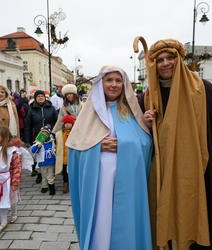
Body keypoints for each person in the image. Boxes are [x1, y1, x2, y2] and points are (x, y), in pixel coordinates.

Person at [139, 39, 212, 249]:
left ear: (180, 60)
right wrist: (145, 123)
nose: (166, 63)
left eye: (171, 58)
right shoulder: (148, 97)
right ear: (153, 65)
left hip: (198, 174)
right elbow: (140, 140)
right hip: (161, 175)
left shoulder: (202, 89)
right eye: (160, 60)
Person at [67, 66, 153, 250]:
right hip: (99, 178)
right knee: (102, 217)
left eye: (118, 80)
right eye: (109, 80)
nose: (114, 84)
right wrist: (96, 147)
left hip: (127, 177)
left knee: (125, 218)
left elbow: (145, 145)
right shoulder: (88, 112)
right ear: (101, 83)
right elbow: (75, 148)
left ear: (124, 84)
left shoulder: (131, 111)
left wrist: (127, 143)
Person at [24, 90, 57, 180]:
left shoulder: (51, 108)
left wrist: (53, 132)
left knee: (49, 155)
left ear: (44, 97)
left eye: (42, 96)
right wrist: (27, 139)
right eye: (38, 96)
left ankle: (50, 175)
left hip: (49, 137)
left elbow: (56, 121)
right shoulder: (31, 110)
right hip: (36, 137)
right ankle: (40, 174)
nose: (40, 98)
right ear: (35, 98)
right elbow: (27, 125)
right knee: (38, 156)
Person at [30, 125, 56, 195]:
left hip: (51, 162)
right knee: (44, 176)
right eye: (43, 133)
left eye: (46, 134)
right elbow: (33, 150)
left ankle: (52, 187)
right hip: (42, 163)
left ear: (49, 134)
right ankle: (44, 186)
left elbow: (55, 150)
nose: (44, 135)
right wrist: (38, 146)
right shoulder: (38, 142)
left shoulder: (52, 142)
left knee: (50, 176)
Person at [57, 114, 75, 193]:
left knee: (71, 171)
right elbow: (58, 144)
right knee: (65, 172)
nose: (67, 124)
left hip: (72, 157)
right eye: (66, 123)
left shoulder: (75, 133)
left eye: (69, 123)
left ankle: (72, 184)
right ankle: (65, 183)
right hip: (64, 157)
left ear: (72, 124)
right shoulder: (60, 134)